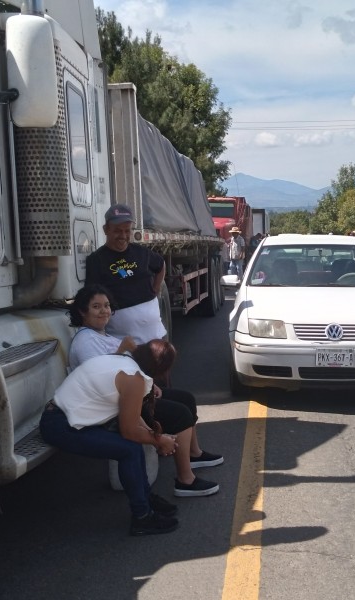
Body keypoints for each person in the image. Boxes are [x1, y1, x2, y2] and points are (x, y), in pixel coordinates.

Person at [67, 285, 223, 485]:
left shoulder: (102, 336)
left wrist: (148, 384)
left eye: (106, 306)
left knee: (186, 398)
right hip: (112, 407)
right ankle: (186, 480)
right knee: (180, 414)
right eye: (96, 306)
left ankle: (193, 453)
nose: (104, 311)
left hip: (127, 395)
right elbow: (99, 379)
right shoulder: (85, 341)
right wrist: (121, 351)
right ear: (82, 311)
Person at [40, 340, 189, 535]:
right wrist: (159, 441)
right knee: (129, 448)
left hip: (61, 417)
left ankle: (144, 498)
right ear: (161, 369)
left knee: (131, 445)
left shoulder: (122, 362)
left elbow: (132, 418)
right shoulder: (134, 379)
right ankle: (142, 517)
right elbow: (129, 430)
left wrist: (156, 437)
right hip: (60, 425)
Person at [84, 204, 166, 344]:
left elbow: (161, 264)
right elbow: (92, 298)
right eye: (117, 231)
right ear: (106, 230)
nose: (123, 236)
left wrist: (156, 288)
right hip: (121, 343)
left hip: (155, 338)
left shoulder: (142, 252)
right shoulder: (96, 260)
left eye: (127, 231)